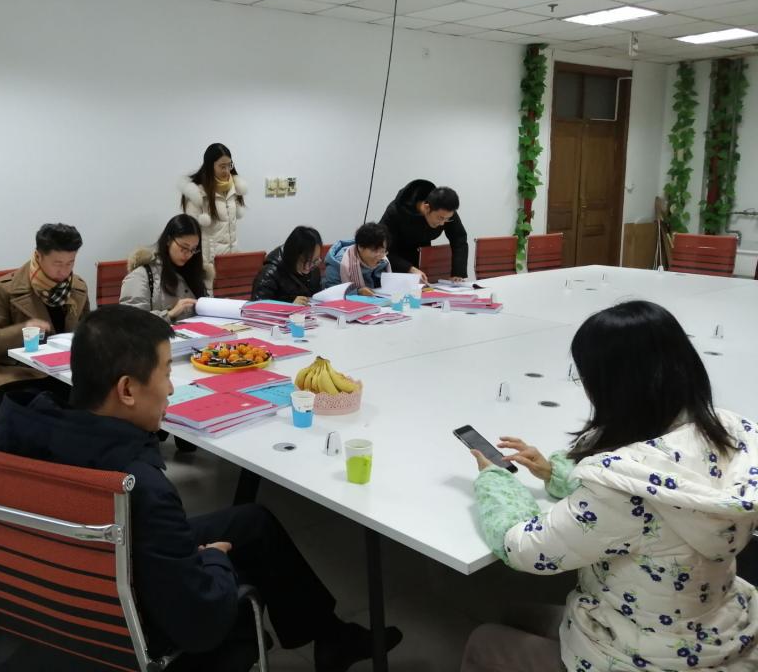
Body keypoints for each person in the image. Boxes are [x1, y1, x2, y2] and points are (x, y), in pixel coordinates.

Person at [0, 304, 402, 671]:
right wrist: (212, 561)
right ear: (127, 389)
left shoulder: (23, 433)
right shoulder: (141, 486)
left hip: (57, 591)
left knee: (252, 523)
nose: (171, 388)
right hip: (132, 620)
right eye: (167, 373)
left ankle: (330, 638)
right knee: (232, 556)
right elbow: (201, 625)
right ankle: (328, 638)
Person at [461, 300, 758, 672]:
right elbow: (657, 481)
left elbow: (526, 549)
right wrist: (557, 474)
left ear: (612, 387)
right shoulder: (729, 433)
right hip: (721, 632)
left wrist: (497, 483)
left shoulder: (618, 492)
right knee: (518, 614)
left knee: (484, 639)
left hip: (638, 658)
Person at [0, 223, 89, 421]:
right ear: (39, 256)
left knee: (104, 394)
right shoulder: (5, 289)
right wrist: (23, 330)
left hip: (66, 369)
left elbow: (86, 332)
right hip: (21, 373)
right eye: (57, 263)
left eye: (71, 263)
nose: (64, 271)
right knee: (48, 403)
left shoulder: (77, 288)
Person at [120, 214, 213, 323]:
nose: (188, 254)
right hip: (161, 334)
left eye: (193, 249)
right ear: (168, 240)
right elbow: (130, 320)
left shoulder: (197, 272)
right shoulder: (141, 275)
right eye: (184, 247)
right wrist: (170, 314)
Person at [379, 179, 467, 282]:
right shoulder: (395, 212)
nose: (443, 223)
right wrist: (409, 269)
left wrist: (457, 273)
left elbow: (459, 239)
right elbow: (382, 249)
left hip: (423, 261)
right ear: (427, 208)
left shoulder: (444, 211)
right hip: (396, 263)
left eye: (447, 219)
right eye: (440, 218)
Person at [180, 142, 247, 264]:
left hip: (232, 258)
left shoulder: (234, 188)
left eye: (229, 165)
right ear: (210, 166)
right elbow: (190, 233)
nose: (227, 170)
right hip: (209, 261)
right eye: (222, 166)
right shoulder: (198, 194)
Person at [252, 226, 323, 305]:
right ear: (293, 256)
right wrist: (289, 305)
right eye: (304, 261)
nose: (308, 267)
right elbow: (257, 307)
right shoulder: (270, 273)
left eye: (314, 261)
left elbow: (317, 297)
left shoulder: (313, 270)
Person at [322, 222, 391, 296]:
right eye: (374, 250)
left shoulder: (383, 262)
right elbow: (330, 292)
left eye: (382, 251)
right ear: (360, 247)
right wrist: (357, 292)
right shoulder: (338, 263)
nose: (379, 255)